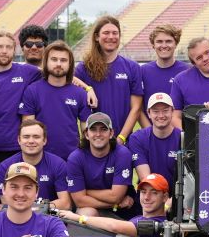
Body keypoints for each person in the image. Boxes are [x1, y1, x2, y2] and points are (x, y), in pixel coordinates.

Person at [0, 30, 42, 164]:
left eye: (8, 47)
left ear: (14, 51)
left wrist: (87, 88)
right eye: (0, 47)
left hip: (20, 148)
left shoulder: (28, 72)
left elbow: (60, 73)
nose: (4, 51)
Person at [76, 15, 143, 144]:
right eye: (106, 33)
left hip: (123, 142)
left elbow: (136, 108)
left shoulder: (132, 67)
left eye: (115, 33)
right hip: (94, 143)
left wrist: (121, 138)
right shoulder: (84, 67)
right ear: (96, 37)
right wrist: (88, 88)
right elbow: (67, 78)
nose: (111, 37)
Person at [20, 41, 93, 160]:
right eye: (54, 59)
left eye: (63, 60)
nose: (58, 64)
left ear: (70, 64)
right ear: (46, 62)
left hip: (71, 158)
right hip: (40, 158)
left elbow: (86, 131)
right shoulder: (32, 90)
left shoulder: (79, 93)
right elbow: (27, 128)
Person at [58, 173, 170, 237]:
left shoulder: (155, 225)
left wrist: (77, 218)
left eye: (154, 193)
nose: (146, 197)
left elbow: (114, 226)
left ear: (165, 197)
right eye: (143, 192)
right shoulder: (143, 218)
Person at [66, 113, 135, 218]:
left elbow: (115, 196)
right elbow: (79, 201)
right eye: (93, 129)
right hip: (99, 207)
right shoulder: (75, 158)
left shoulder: (122, 154)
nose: (98, 134)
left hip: (124, 210)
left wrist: (86, 192)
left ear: (111, 133)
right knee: (86, 213)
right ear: (86, 134)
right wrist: (114, 204)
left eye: (103, 129)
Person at [4, 119, 72, 210]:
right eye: (26, 137)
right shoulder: (6, 166)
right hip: (17, 218)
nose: (31, 141)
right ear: (19, 140)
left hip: (49, 217)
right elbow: (5, 204)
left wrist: (34, 208)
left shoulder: (58, 165)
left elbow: (65, 203)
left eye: (36, 137)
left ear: (44, 140)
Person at [139, 24, 191, 126]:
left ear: (176, 44)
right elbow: (138, 109)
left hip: (180, 135)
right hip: (152, 135)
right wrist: (151, 132)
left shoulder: (188, 70)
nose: (164, 45)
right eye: (159, 42)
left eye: (168, 41)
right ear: (153, 45)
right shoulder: (143, 71)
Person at [129, 92, 181, 188]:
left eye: (165, 111)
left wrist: (170, 202)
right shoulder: (137, 138)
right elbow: (147, 180)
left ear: (172, 112)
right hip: (150, 196)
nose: (161, 115)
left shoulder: (183, 138)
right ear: (148, 113)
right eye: (156, 111)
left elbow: (186, 180)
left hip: (177, 198)